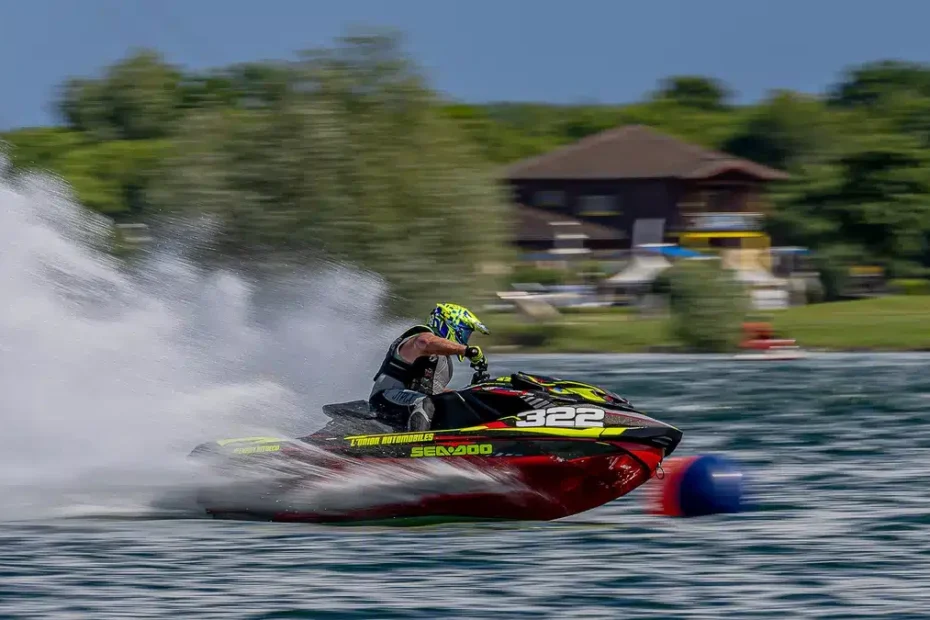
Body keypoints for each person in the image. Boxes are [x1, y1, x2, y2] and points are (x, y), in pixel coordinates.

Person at [369, 303, 489, 432]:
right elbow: (425, 343)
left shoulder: (439, 355)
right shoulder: (421, 337)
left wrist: (470, 393)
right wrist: (466, 351)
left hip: (409, 402)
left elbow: (434, 391)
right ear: (450, 324)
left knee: (453, 401)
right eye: (466, 333)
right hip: (384, 398)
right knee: (425, 402)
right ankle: (416, 444)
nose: (466, 339)